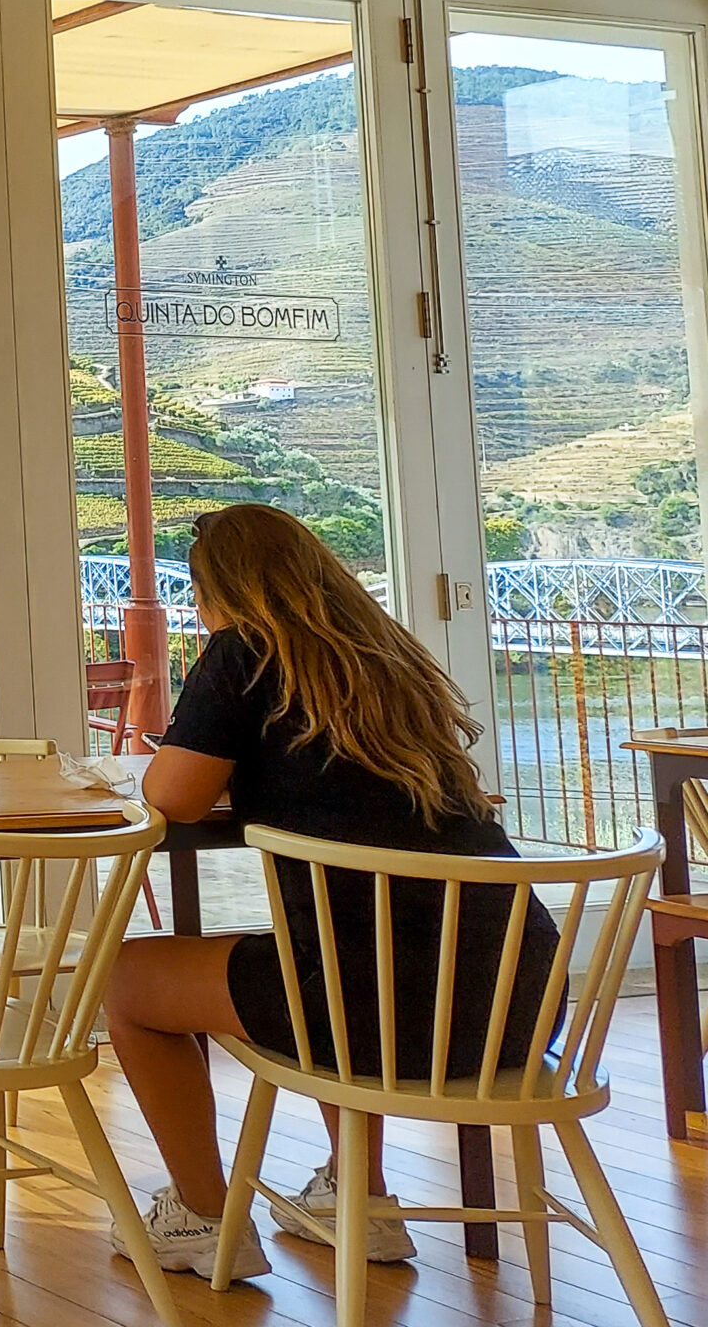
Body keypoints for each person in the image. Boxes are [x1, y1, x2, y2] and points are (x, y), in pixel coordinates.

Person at [105, 503, 559, 1279]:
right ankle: (360, 1199)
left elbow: (173, 797)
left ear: (219, 590)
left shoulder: (243, 652)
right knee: (346, 957)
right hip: (521, 1004)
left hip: (385, 1012)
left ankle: (204, 1216)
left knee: (126, 978)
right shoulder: (388, 658)